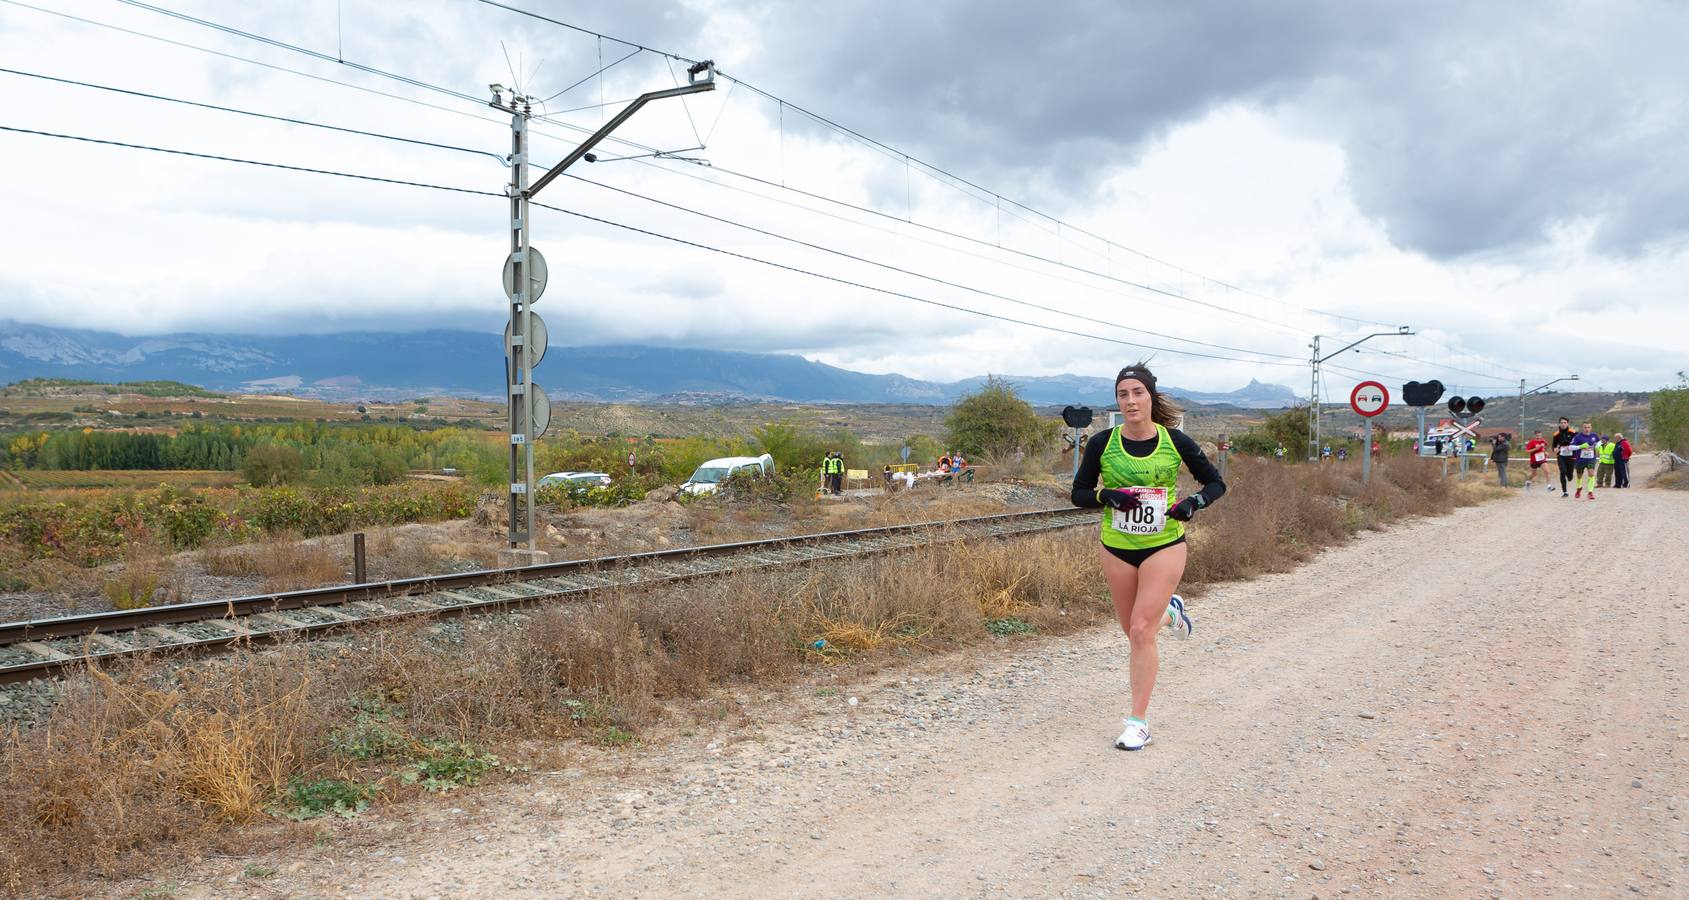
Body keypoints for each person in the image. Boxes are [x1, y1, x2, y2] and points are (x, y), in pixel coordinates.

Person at [1071, 363, 1225, 752]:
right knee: (1133, 631)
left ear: (1151, 397)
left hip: (1165, 544)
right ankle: (1171, 613)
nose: (1130, 400)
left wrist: (1194, 503)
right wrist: (1106, 496)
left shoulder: (1176, 441)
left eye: (1138, 392)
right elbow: (1079, 493)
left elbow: (1216, 483)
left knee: (1141, 631)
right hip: (1117, 546)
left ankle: (1138, 723)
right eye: (1123, 394)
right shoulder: (1102, 443)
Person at [1570, 421, 1600, 500]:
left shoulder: (1594, 435)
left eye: (1588, 427)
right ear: (1582, 428)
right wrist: (1580, 446)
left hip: (1591, 459)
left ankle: (1590, 492)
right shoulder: (1578, 437)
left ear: (1591, 428)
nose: (1587, 429)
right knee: (1579, 475)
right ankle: (1579, 488)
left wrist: (1596, 446)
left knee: (1591, 473)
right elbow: (1570, 447)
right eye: (1585, 427)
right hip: (1580, 460)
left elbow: (1599, 442)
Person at [1552, 417, 1576, 497]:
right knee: (1562, 472)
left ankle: (1570, 475)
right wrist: (1555, 449)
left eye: (1564, 422)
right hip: (1561, 456)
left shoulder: (1573, 432)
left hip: (1571, 456)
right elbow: (1554, 446)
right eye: (1561, 422)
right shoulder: (1556, 434)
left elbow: (1578, 442)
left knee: (1569, 476)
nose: (1563, 424)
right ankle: (1565, 491)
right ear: (1559, 424)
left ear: (1567, 423)